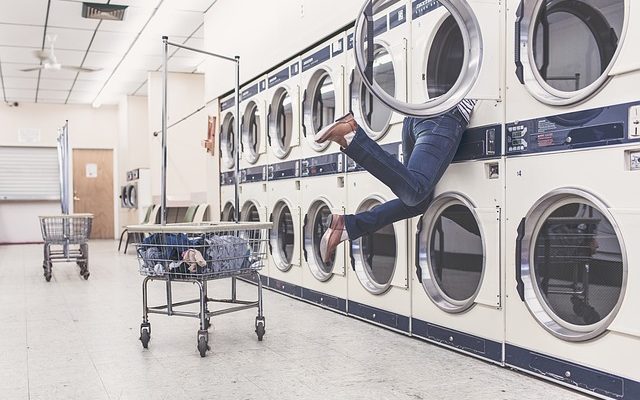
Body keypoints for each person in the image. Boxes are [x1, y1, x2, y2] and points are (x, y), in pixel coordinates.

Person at [314, 99, 477, 263]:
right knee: (415, 192)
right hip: (446, 117)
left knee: (417, 201)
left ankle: (347, 226)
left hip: (418, 117)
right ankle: (351, 135)